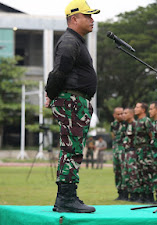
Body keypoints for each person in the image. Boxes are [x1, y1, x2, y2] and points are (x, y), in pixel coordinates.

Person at [44, 0, 99, 213]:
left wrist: (51, 94)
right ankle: (67, 198)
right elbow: (59, 71)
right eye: (88, 16)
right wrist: (50, 93)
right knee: (72, 148)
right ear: (74, 19)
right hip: (72, 102)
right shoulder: (69, 42)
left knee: (72, 148)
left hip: (74, 102)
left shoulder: (75, 41)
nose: (92, 20)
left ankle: (65, 197)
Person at [133, 102, 153, 203]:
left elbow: (152, 136)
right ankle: (143, 195)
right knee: (140, 173)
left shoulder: (147, 121)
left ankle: (149, 196)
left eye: (137, 107)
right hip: (138, 150)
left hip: (145, 150)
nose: (135, 109)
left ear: (143, 110)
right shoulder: (137, 121)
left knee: (146, 173)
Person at [121, 108, 136, 200]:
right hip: (126, 152)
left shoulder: (135, 124)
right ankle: (128, 194)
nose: (123, 115)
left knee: (133, 174)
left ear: (131, 114)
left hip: (133, 151)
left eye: (126, 113)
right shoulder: (126, 125)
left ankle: (135, 194)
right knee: (126, 173)